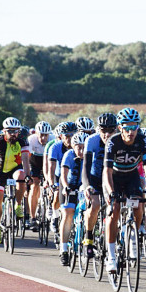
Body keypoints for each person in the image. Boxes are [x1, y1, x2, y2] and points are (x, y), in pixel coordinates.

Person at [103, 108, 146, 273]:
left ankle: (133, 238)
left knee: (138, 205)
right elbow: (107, 171)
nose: (131, 131)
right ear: (120, 127)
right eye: (127, 127)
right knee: (115, 210)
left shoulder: (143, 140)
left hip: (132, 176)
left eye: (134, 127)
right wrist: (111, 192)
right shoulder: (113, 141)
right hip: (114, 178)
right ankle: (111, 256)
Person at [0, 117, 32, 244]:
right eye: (10, 131)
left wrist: (28, 175)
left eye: (16, 131)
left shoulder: (22, 141)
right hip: (0, 172)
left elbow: (25, 160)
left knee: (21, 175)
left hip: (15, 169)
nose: (13, 134)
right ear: (4, 131)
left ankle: (18, 204)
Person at [81, 113, 118, 258]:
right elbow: (85, 166)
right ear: (98, 129)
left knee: (116, 208)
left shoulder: (118, 141)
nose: (107, 134)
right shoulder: (92, 140)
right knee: (95, 205)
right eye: (103, 130)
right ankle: (88, 238)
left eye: (111, 130)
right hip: (94, 178)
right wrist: (87, 186)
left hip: (112, 179)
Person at [58, 132, 88, 265]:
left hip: (84, 188)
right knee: (68, 213)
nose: (81, 151)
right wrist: (65, 187)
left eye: (84, 147)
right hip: (69, 187)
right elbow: (63, 174)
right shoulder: (69, 155)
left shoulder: (90, 156)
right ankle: (63, 249)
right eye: (78, 147)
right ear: (73, 147)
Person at [47, 122, 76, 234]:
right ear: (61, 137)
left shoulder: (79, 146)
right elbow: (51, 167)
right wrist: (51, 184)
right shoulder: (55, 147)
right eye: (67, 136)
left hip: (74, 177)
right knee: (56, 195)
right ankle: (54, 217)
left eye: (72, 136)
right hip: (59, 176)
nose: (70, 139)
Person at [27, 121, 55, 230]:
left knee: (51, 184)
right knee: (35, 185)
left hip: (47, 161)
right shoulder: (31, 139)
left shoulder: (53, 139)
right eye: (41, 135)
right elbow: (27, 157)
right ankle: (32, 217)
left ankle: (49, 207)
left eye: (46, 135)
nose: (43, 138)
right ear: (36, 133)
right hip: (34, 161)